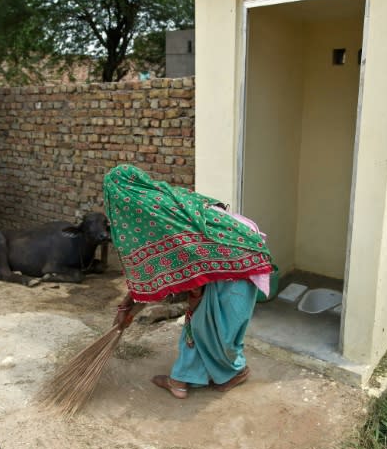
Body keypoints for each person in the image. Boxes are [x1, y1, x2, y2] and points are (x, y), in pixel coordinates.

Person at [104, 164, 273, 399]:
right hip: (228, 254)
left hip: (238, 257)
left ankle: (232, 373)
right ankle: (182, 379)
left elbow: (183, 255)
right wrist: (127, 306)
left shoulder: (150, 212)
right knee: (202, 324)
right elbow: (151, 272)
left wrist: (194, 295)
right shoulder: (160, 200)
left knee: (217, 327)